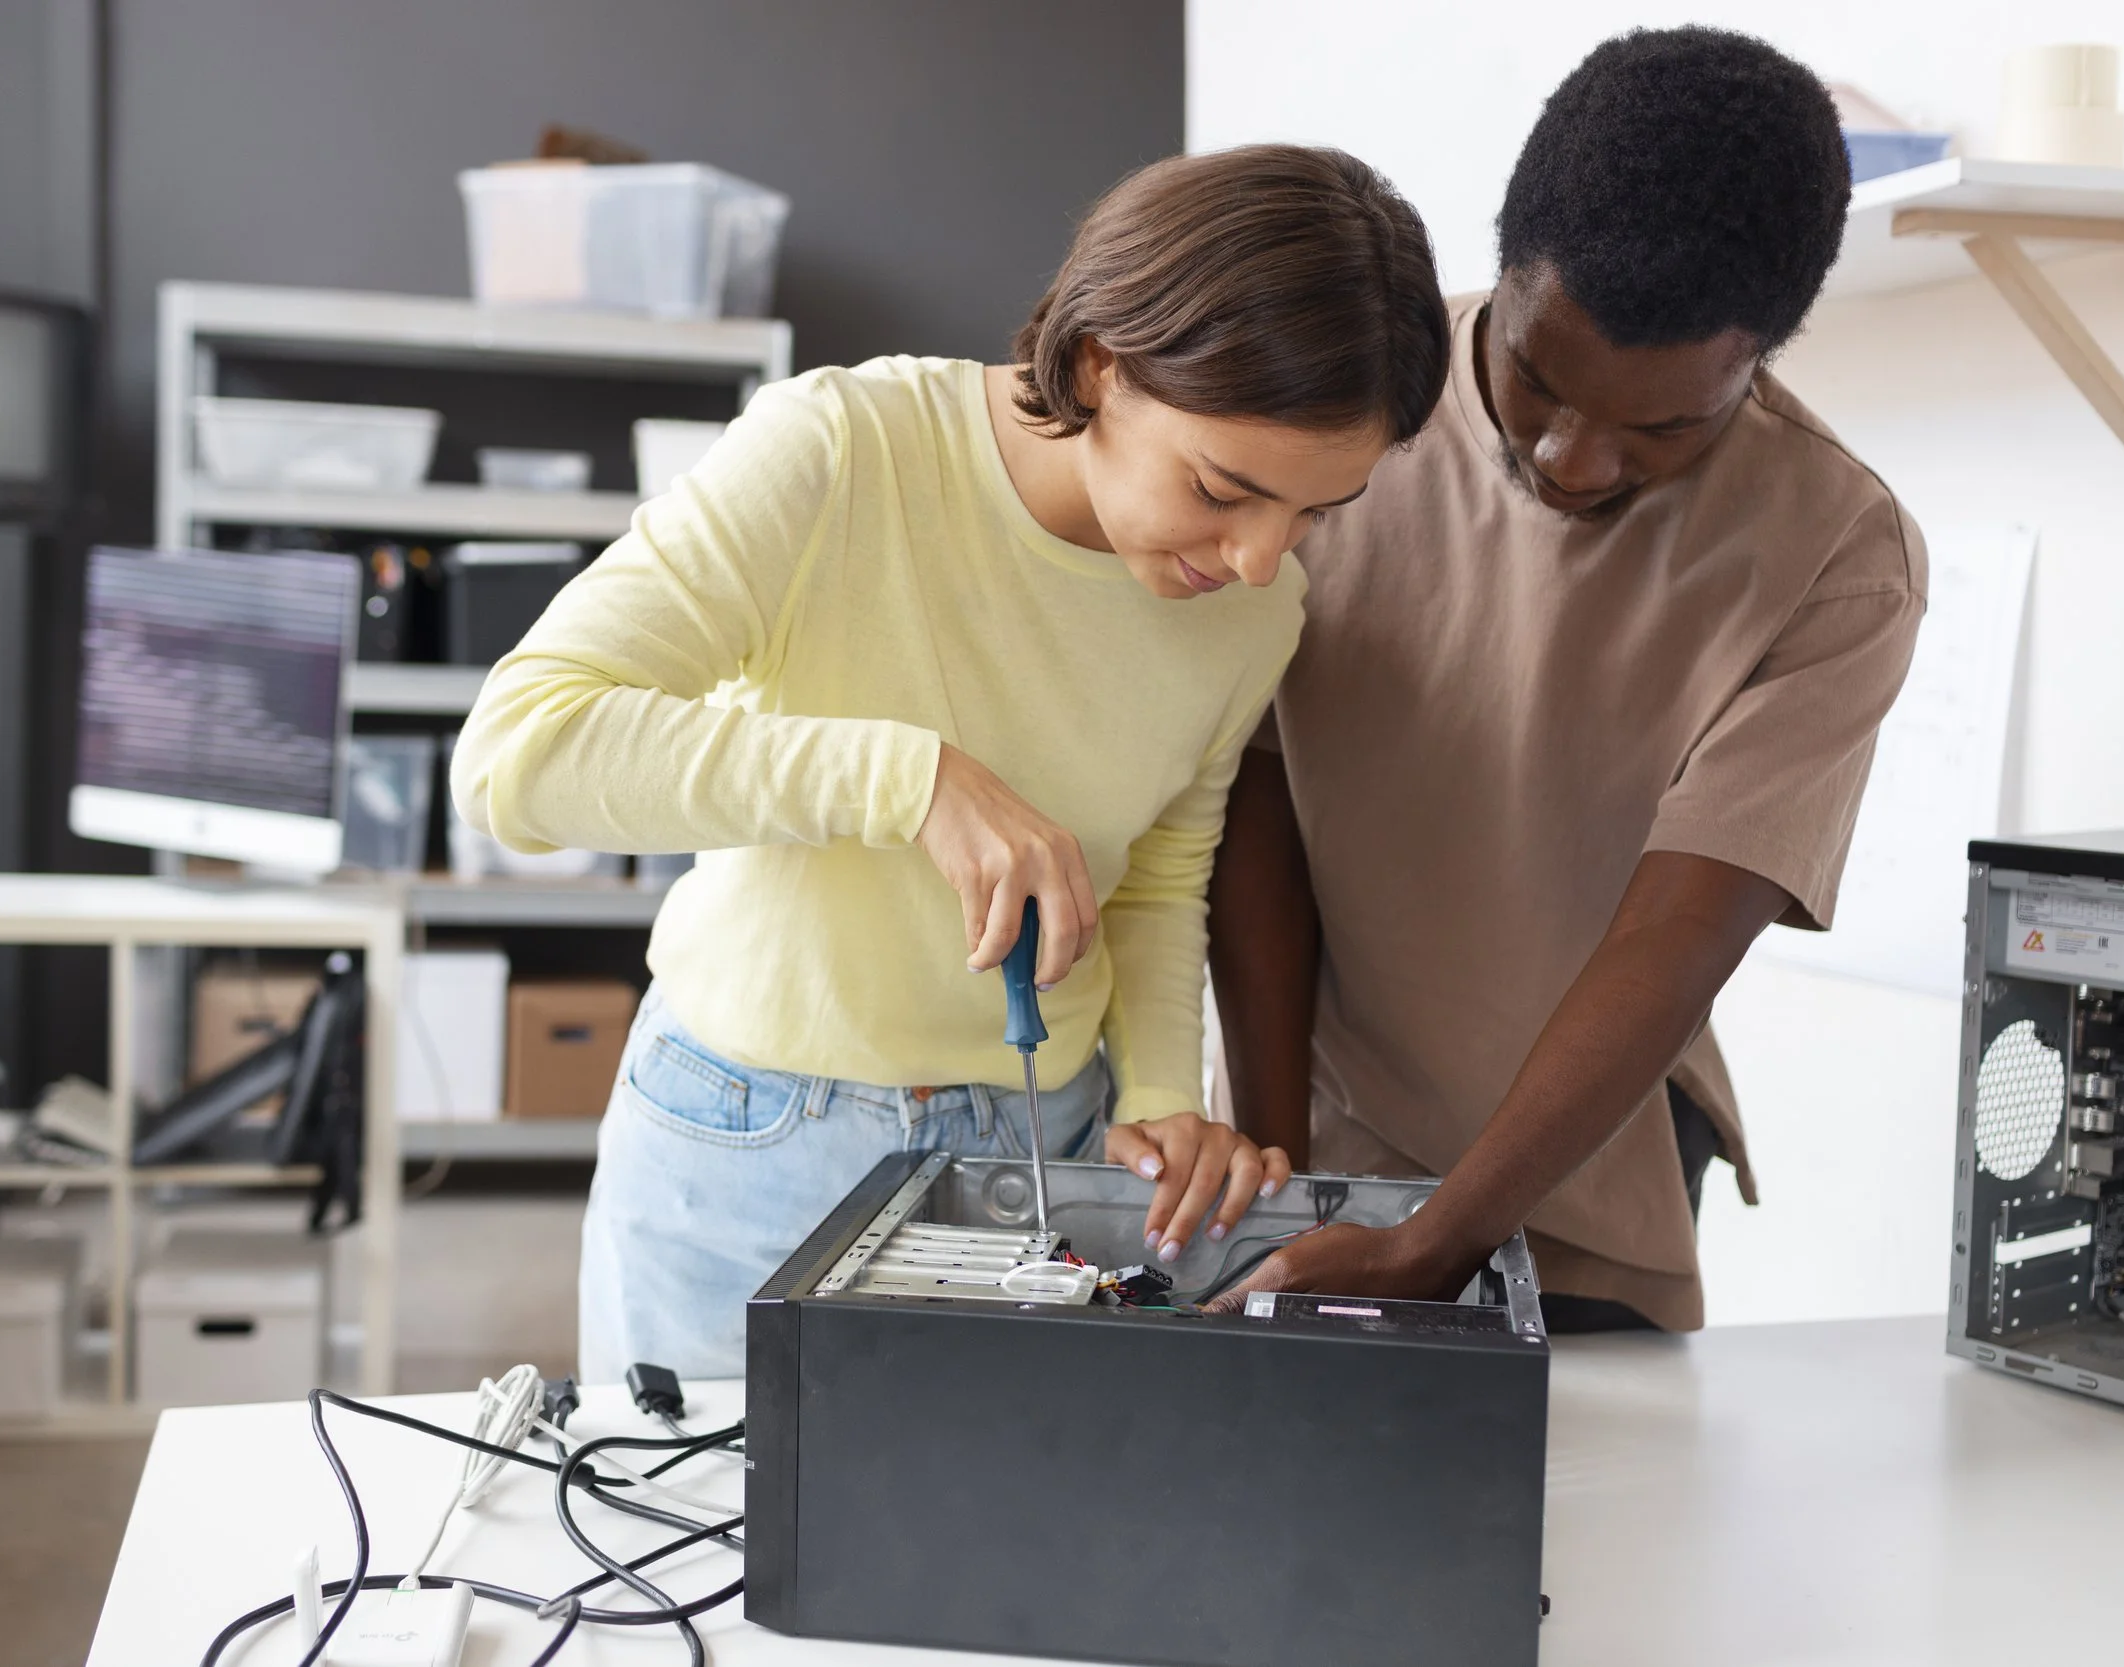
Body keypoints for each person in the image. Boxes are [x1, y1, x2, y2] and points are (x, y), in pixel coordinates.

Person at [452, 144, 1450, 1378]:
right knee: (698, 1549)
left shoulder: (1258, 613)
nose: (1258, 557)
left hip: (1056, 1138)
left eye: (1313, 512)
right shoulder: (840, 449)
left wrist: (1155, 1090)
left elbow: (1158, 867)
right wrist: (909, 778)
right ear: (1100, 362)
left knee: (994, 1549)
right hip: (754, 1137)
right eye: (1222, 488)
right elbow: (519, 753)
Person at [1207, 28, 1926, 1330]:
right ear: (1504, 264)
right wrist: (1278, 1176)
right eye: (1537, 379)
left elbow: (1679, 935)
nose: (1576, 458)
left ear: (1760, 354)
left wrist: (1443, 1234)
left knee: (1581, 1526)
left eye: (1664, 426)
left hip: (1589, 1175)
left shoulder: (1838, 550)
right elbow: (1252, 800)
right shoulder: (1346, 403)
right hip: (1318, 1128)